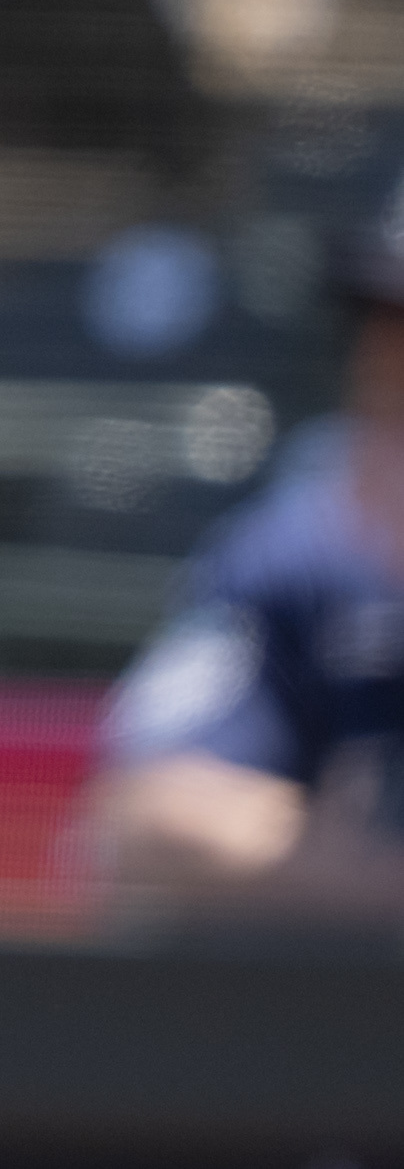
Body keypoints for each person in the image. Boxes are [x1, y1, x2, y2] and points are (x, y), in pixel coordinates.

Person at [83, 172, 404, 920]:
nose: (385, 374)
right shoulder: (295, 563)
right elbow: (150, 817)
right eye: (383, 341)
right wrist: (375, 874)